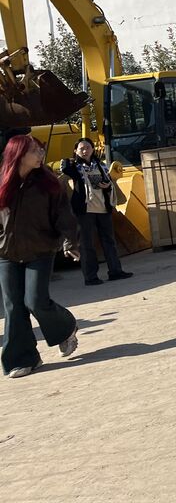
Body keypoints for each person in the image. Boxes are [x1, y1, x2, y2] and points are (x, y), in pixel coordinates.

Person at [0, 135, 80, 377]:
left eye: (40, 150)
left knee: (35, 301)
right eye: (34, 150)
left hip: (40, 251)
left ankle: (66, 327)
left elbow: (63, 215)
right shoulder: (2, 182)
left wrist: (69, 242)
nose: (40, 154)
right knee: (13, 306)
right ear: (19, 153)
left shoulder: (50, 183)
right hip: (7, 253)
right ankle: (23, 359)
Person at [61, 139, 133, 286]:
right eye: (81, 148)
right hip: (84, 210)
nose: (85, 150)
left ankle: (115, 271)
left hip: (103, 208)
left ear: (93, 149)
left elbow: (109, 183)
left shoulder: (101, 166)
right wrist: (66, 161)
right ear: (76, 151)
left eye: (88, 147)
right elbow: (66, 170)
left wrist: (106, 186)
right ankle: (90, 277)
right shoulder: (75, 167)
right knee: (86, 244)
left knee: (109, 241)